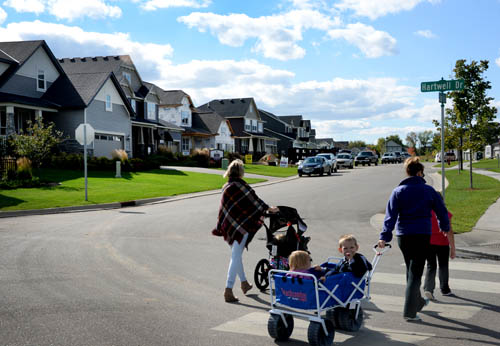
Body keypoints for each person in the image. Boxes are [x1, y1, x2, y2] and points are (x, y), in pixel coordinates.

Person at [378, 157, 450, 322]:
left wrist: (384, 236)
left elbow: (390, 217)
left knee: (411, 270)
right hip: (421, 235)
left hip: (403, 236)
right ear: (419, 172)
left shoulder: (398, 191)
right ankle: (410, 312)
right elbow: (441, 210)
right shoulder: (428, 190)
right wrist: (444, 226)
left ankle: (416, 301)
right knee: (416, 272)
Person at [212, 159, 279, 303]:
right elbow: (256, 202)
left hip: (229, 227)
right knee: (236, 256)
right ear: (241, 172)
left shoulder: (227, 186)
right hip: (241, 228)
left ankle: (244, 283)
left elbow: (226, 209)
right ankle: (228, 290)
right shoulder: (242, 187)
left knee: (236, 255)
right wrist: (269, 208)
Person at [424, 197, 456, 300]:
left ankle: (428, 288)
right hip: (443, 243)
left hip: (429, 243)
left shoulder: (426, 212)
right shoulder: (445, 213)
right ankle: (445, 289)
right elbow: (449, 231)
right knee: (443, 266)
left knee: (431, 265)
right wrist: (453, 248)